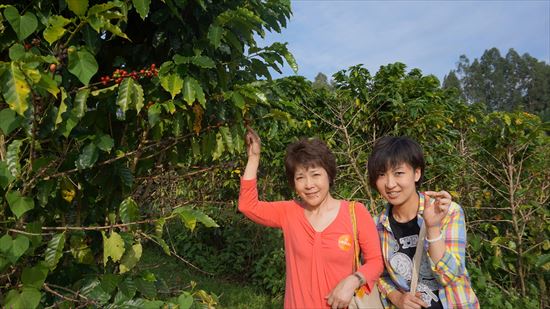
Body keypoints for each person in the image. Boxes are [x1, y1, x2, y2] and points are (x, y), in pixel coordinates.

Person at [239, 128, 384, 309]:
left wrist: (353, 280)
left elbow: (376, 261)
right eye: (300, 177)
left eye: (316, 175)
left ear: (329, 175)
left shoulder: (356, 212)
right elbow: (247, 205)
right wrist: (253, 158)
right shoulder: (289, 212)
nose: (309, 185)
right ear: (294, 183)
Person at [367, 136, 479, 309]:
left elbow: (450, 276)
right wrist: (396, 297)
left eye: (398, 173)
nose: (390, 184)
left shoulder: (447, 212)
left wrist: (433, 228)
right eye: (382, 174)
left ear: (416, 173)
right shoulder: (378, 226)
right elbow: (380, 275)